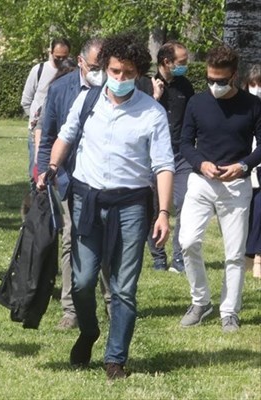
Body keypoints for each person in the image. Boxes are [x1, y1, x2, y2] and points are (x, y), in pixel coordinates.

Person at [47, 33, 174, 380]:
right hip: (87, 199)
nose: (119, 78)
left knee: (123, 287)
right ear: (105, 67)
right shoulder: (87, 102)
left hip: (132, 205)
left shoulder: (152, 113)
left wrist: (163, 212)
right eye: (115, 70)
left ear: (138, 73)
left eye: (128, 73)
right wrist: (52, 167)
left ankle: (115, 358)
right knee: (83, 281)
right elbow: (66, 135)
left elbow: (163, 165)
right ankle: (89, 331)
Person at [178, 46, 261, 333]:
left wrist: (244, 166)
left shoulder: (253, 106)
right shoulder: (196, 103)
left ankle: (230, 312)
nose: (215, 86)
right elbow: (185, 143)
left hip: (236, 185)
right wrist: (201, 164)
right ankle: (201, 302)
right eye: (210, 80)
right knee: (188, 242)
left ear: (234, 76)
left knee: (234, 254)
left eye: (221, 81)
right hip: (202, 182)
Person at [36, 38, 111, 330]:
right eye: (95, 66)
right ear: (80, 62)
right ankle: (71, 309)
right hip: (69, 179)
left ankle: (111, 303)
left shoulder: (116, 90)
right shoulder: (59, 90)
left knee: (107, 241)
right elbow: (49, 137)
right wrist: (45, 173)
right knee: (71, 239)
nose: (100, 72)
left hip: (106, 181)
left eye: (103, 66)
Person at [146, 41, 195, 273]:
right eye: (182, 62)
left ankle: (179, 258)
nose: (186, 66)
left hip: (180, 154)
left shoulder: (186, 86)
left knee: (186, 202)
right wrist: (155, 97)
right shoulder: (144, 85)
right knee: (155, 207)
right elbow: (138, 119)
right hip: (153, 156)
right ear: (167, 62)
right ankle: (158, 257)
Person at [22, 38, 70, 178]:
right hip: (38, 131)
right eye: (57, 57)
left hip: (61, 131)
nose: (61, 60)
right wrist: (35, 121)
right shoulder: (39, 70)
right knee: (35, 173)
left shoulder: (71, 71)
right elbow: (26, 100)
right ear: (51, 52)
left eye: (64, 57)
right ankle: (36, 198)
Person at [244, 64, 261, 279]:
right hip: (245, 165)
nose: (256, 88)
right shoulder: (245, 107)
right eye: (253, 84)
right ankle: (247, 254)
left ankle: (257, 256)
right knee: (247, 214)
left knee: (259, 211)